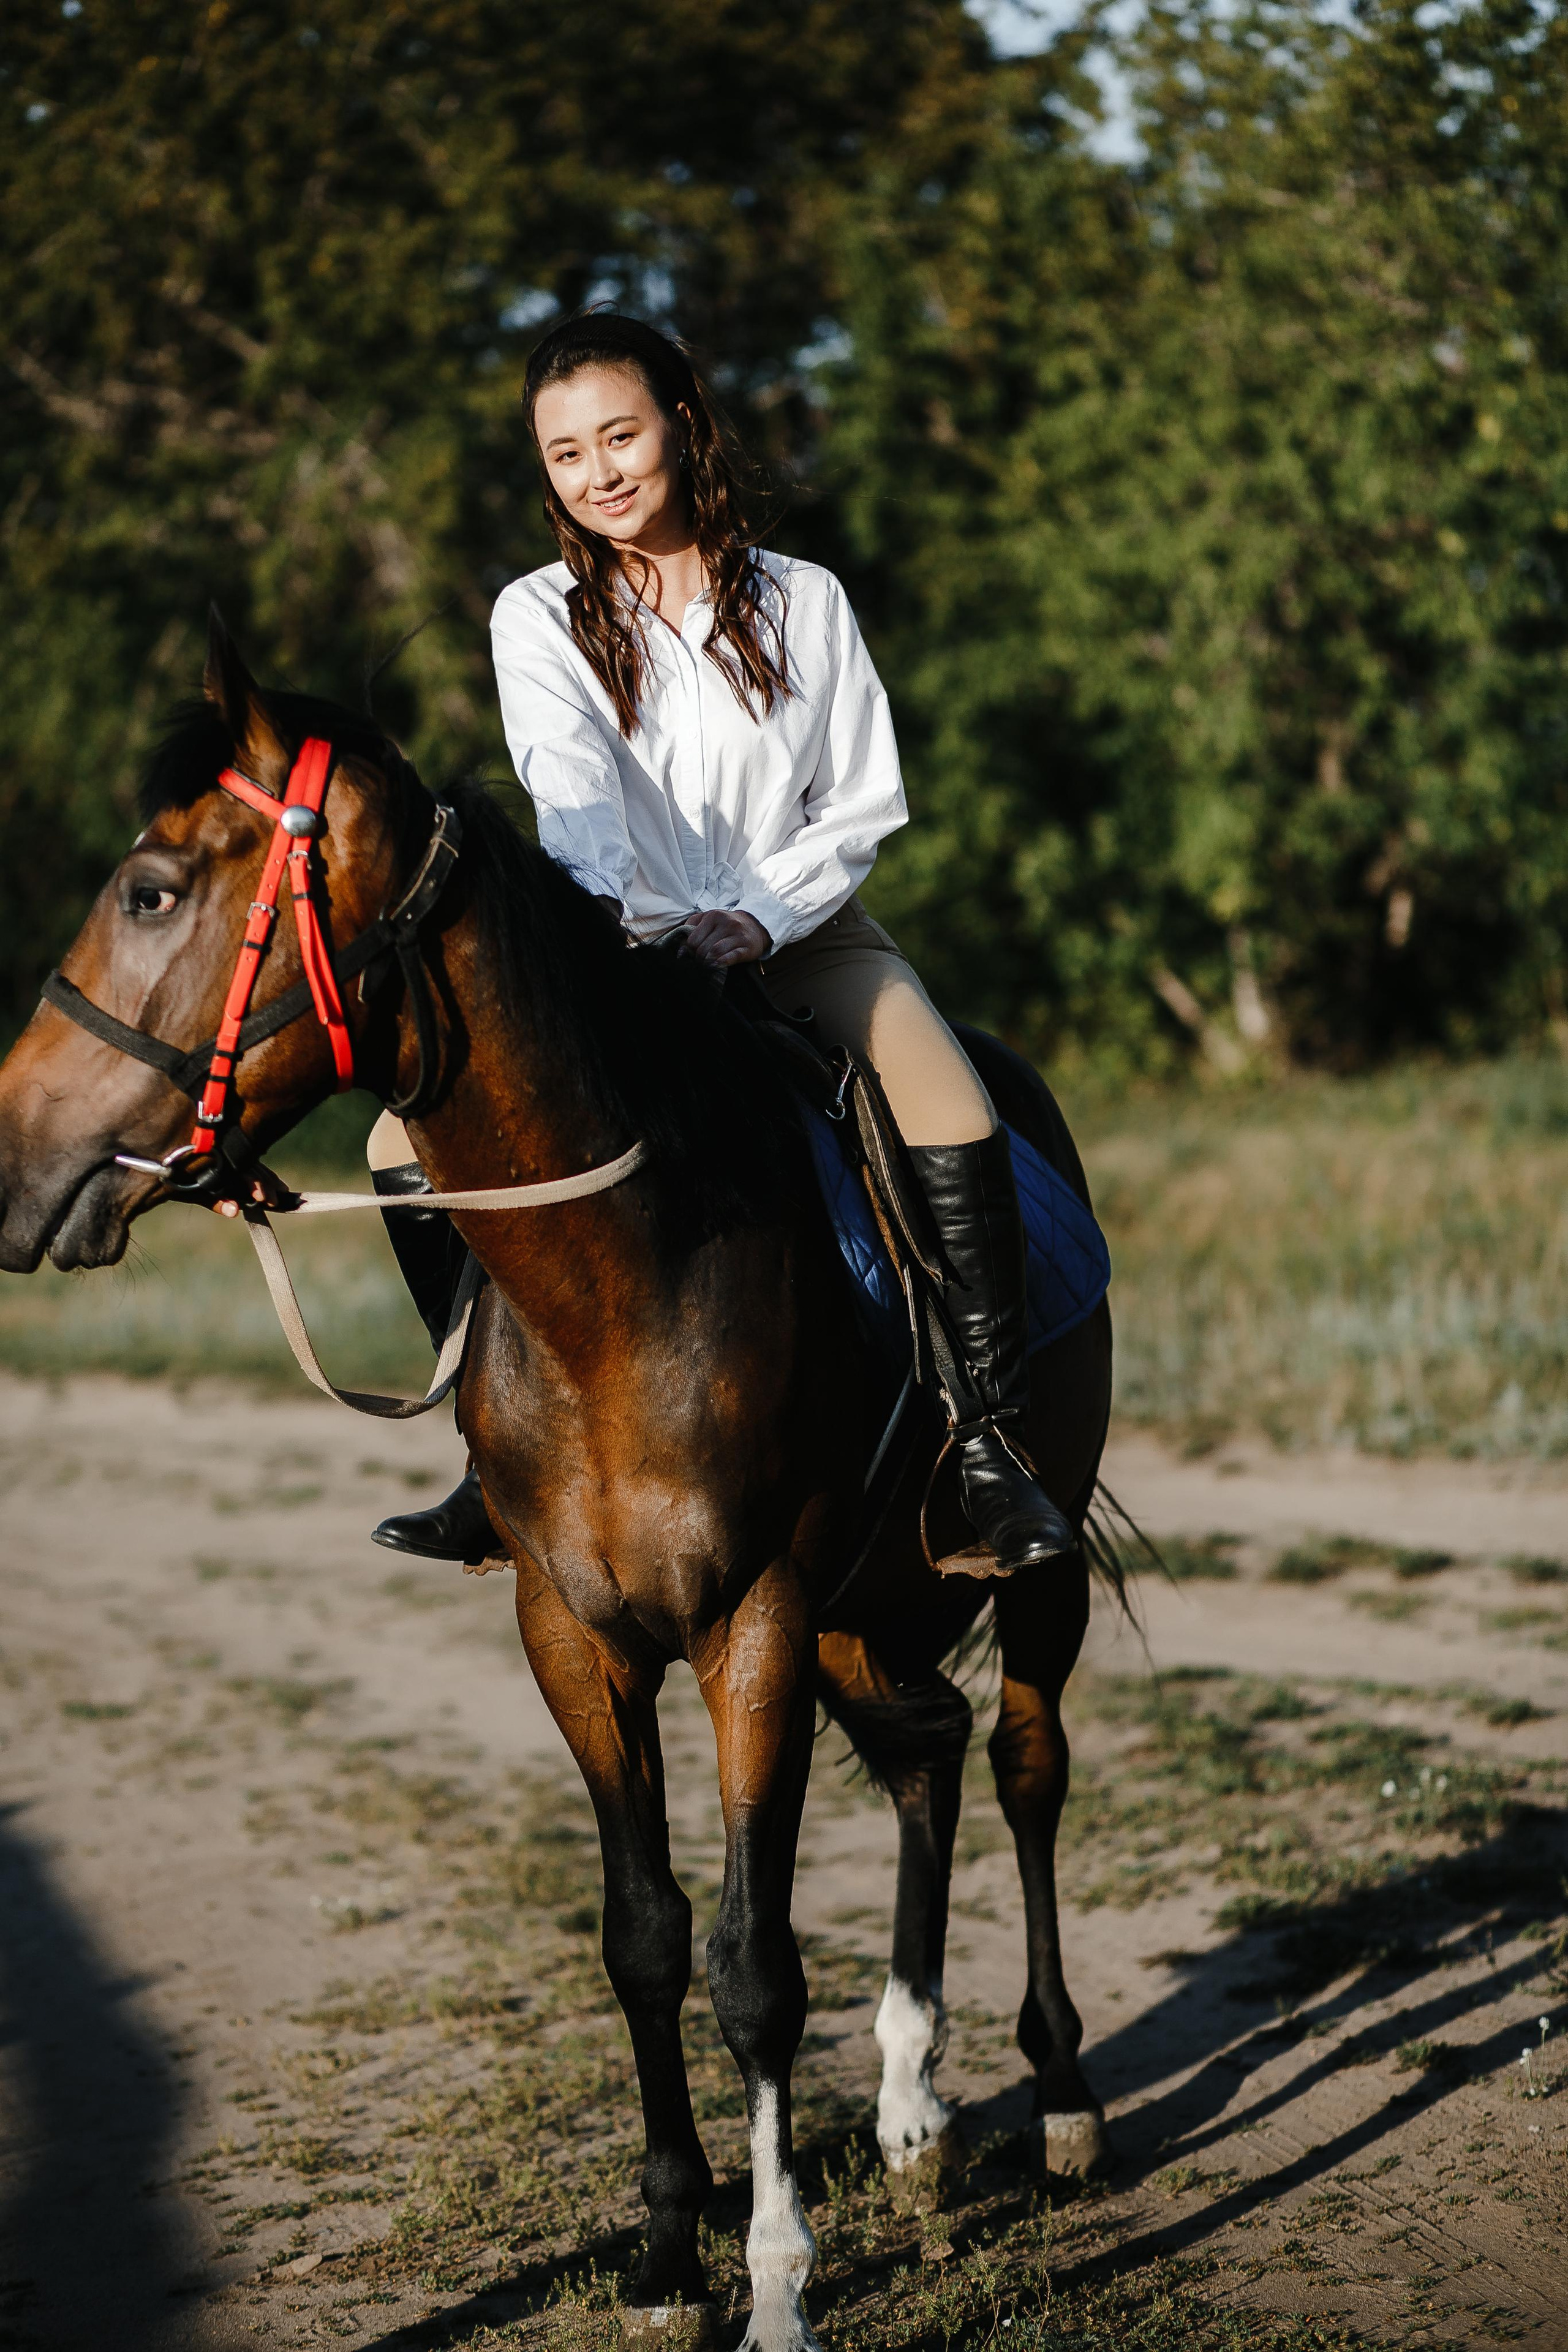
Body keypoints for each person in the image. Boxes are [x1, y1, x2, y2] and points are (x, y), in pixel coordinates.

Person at [368, 312, 1076, 1578]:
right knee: (391, 1143)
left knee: (952, 1105)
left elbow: (858, 805)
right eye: (566, 454)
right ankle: (490, 1460)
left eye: (620, 436)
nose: (598, 474)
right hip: (624, 951)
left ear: (682, 425)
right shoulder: (537, 616)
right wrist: (612, 938)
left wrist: (756, 916)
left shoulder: (807, 601)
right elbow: (570, 790)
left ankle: (985, 1445)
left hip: (804, 932)